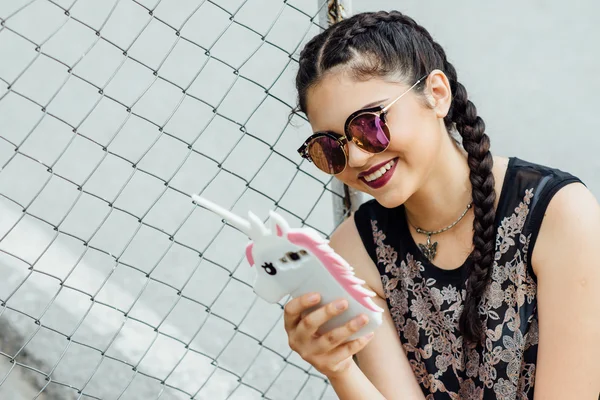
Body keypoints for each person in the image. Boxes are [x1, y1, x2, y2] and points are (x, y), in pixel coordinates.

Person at [284, 10, 600, 400]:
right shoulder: (355, 251)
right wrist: (337, 367)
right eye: (330, 148)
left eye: (369, 125)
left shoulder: (558, 214)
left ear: (436, 93)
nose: (358, 159)